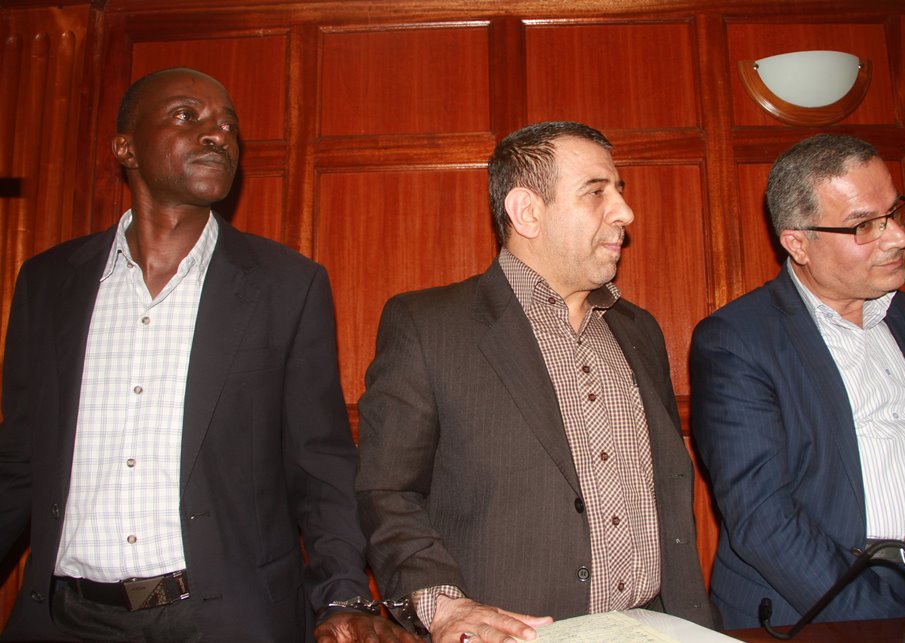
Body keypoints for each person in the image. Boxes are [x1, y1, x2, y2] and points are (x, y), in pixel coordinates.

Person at [0, 67, 417, 643]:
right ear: (126, 148)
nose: (217, 134)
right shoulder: (47, 283)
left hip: (223, 621)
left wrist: (342, 593)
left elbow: (319, 463)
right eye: (186, 117)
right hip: (64, 619)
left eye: (228, 125)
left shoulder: (285, 285)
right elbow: (20, 456)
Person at [356, 121, 715, 642]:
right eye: (596, 192)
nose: (624, 212)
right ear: (527, 212)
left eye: (619, 191)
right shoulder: (429, 326)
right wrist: (442, 607)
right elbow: (388, 490)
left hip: (658, 627)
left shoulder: (640, 330)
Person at [689, 133, 905, 629]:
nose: (898, 237)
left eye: (894, 212)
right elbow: (763, 518)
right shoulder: (738, 339)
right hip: (823, 607)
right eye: (865, 225)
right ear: (798, 242)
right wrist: (888, 623)